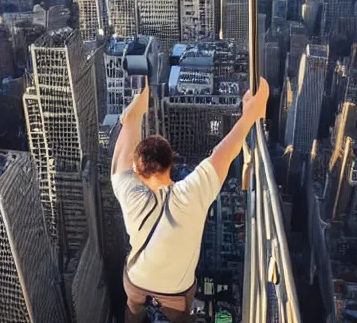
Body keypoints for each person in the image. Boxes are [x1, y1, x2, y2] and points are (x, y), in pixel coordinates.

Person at [111, 77, 269, 323]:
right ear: (170, 164)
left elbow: (120, 160)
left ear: (138, 171)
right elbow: (223, 154)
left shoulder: (130, 193)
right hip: (175, 289)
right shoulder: (191, 194)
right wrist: (249, 116)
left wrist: (136, 112)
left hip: (137, 278)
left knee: (132, 307)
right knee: (181, 317)